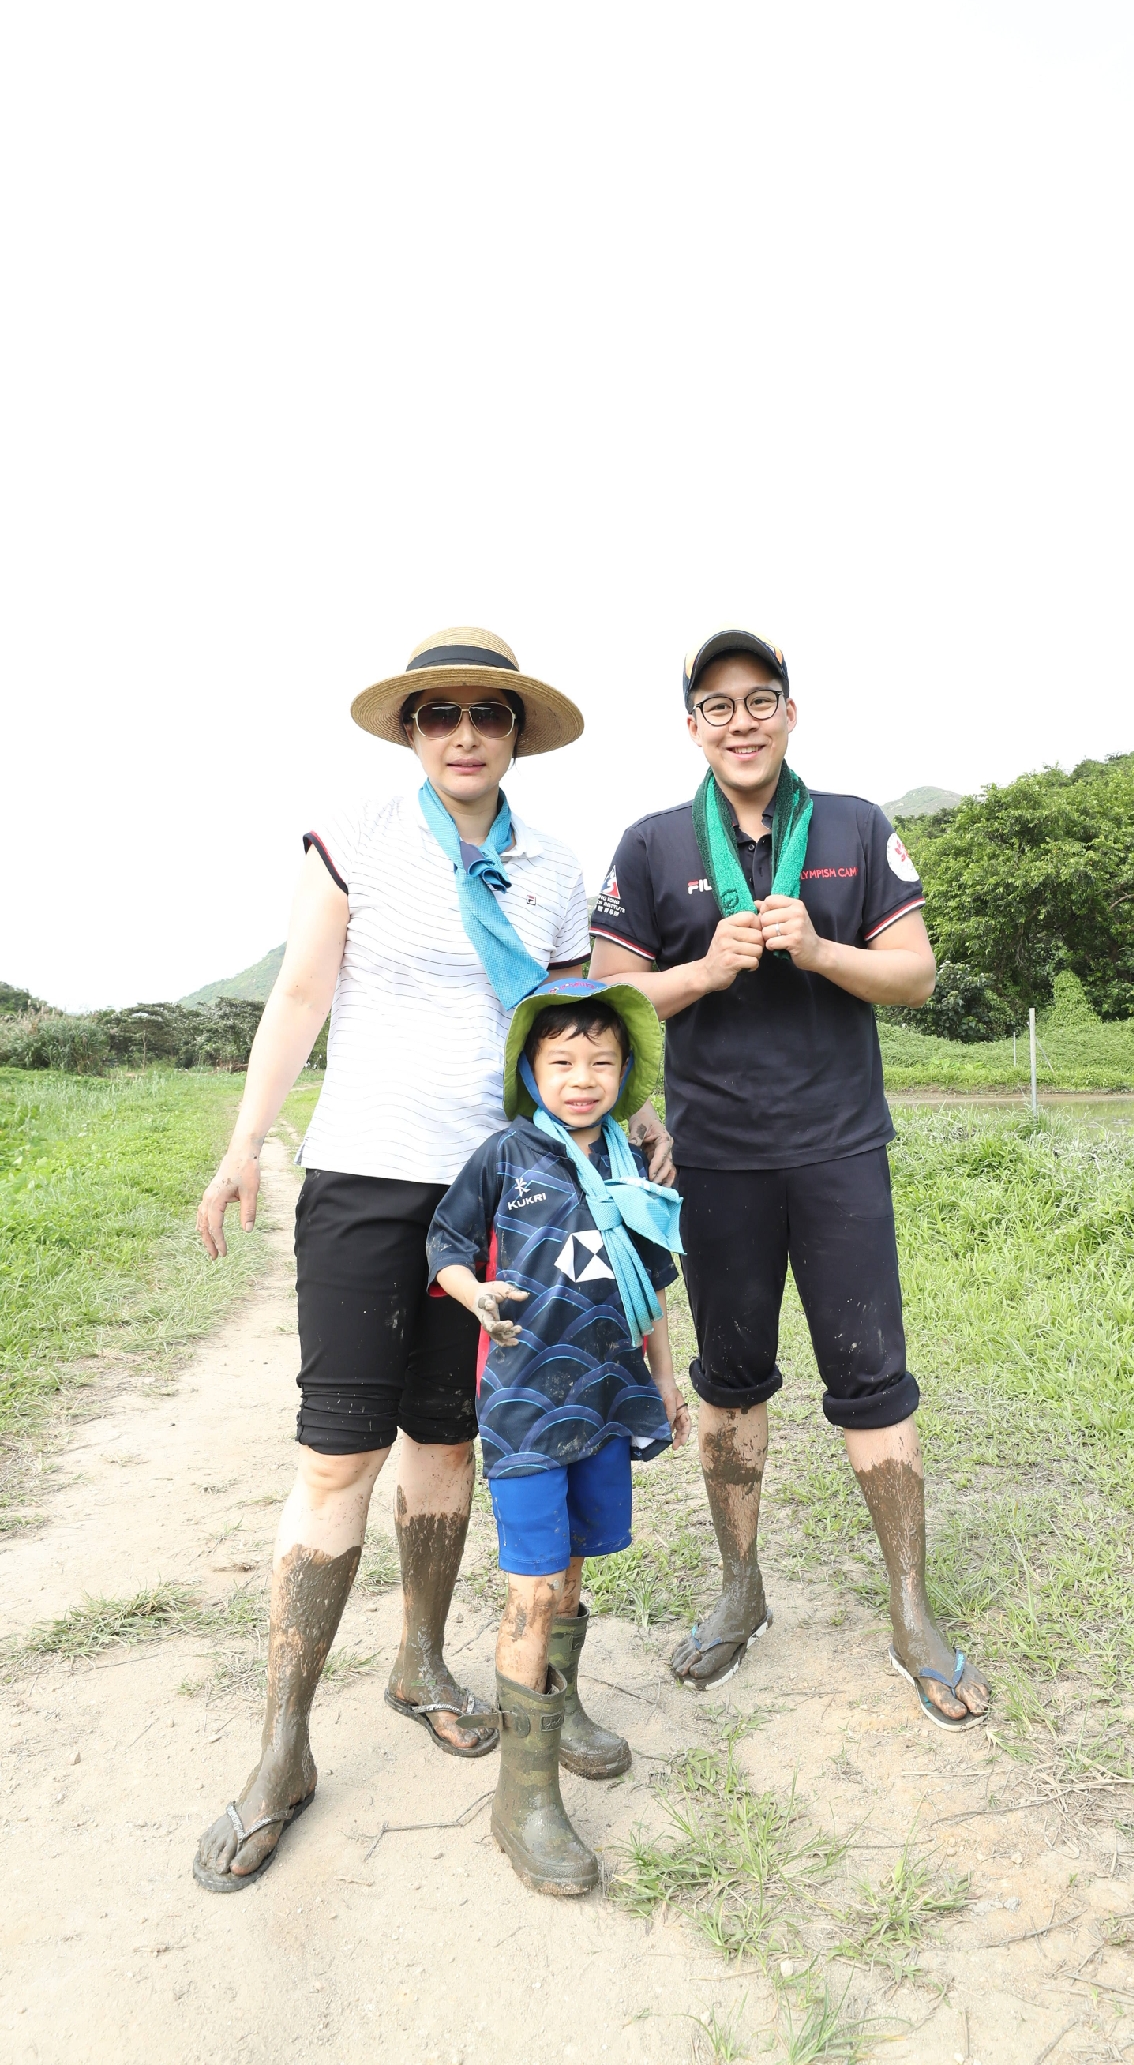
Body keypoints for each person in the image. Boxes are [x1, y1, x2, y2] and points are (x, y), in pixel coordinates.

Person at [191, 631, 674, 1894]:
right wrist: (249, 1146)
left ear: (518, 733)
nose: (464, 734)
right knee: (338, 1452)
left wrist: (620, 1136)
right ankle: (283, 1746)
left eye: (489, 715)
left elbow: (568, 1037)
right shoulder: (357, 836)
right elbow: (301, 994)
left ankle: (422, 1661)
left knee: (457, 1442)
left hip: (508, 1194)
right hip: (363, 1175)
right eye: (439, 714)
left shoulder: (555, 867)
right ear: (411, 731)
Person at [589, 629, 990, 1728]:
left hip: (839, 1148)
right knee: (729, 1382)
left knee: (874, 1377)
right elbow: (611, 1006)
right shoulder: (653, 844)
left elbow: (914, 973)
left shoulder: (856, 828)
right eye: (715, 707)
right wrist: (704, 971)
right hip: (714, 1156)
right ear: (693, 729)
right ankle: (739, 1587)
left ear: (789, 712)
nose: (740, 721)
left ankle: (911, 1609)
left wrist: (817, 952)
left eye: (758, 699)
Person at [429, 977, 690, 1894]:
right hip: (527, 1410)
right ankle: (523, 1798)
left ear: (626, 1073)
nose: (583, 1078)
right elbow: (446, 1245)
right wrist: (476, 1296)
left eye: (602, 1062)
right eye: (563, 1062)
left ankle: (564, 1706)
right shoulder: (505, 1156)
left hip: (608, 1401)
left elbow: (647, 1284)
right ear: (531, 1070)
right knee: (532, 1592)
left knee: (576, 1568)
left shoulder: (631, 1161)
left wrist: (663, 1377)